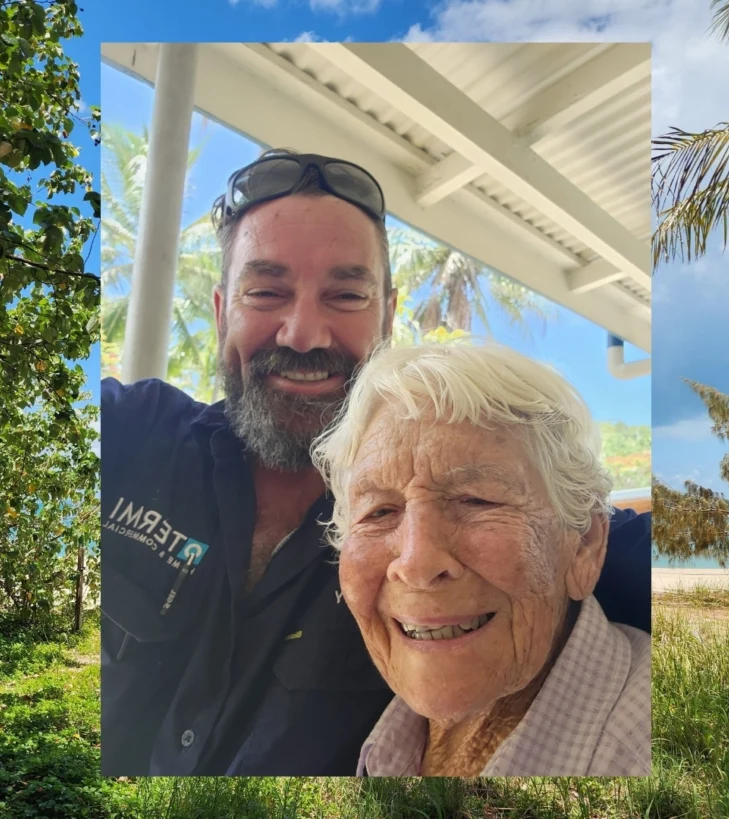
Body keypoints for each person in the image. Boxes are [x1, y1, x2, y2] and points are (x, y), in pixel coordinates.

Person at [100, 149, 652, 776]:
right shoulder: (127, 431)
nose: (303, 333)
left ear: (387, 318)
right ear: (224, 311)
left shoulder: (540, 543)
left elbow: (599, 538)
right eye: (266, 291)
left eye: (345, 294)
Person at [311, 342, 651, 775]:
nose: (415, 564)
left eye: (476, 500)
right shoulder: (383, 732)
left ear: (584, 544)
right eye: (379, 511)